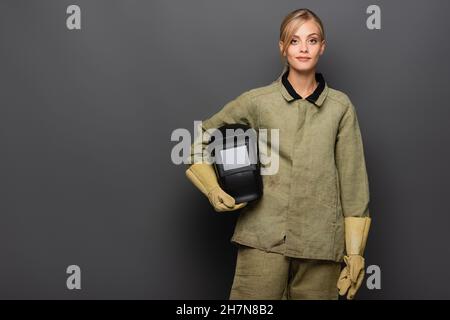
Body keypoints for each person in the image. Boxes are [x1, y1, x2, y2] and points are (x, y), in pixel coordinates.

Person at [185, 8, 371, 300]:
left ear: (322, 46)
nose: (304, 48)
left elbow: (353, 182)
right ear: (282, 47)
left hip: (320, 243)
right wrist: (211, 189)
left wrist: (355, 252)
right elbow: (199, 140)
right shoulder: (258, 102)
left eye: (312, 40)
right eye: (294, 41)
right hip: (263, 238)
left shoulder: (340, 107)